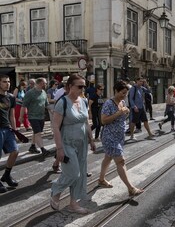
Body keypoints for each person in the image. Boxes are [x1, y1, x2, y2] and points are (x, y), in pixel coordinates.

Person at [50, 74, 96, 214]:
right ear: (70, 86)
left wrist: (91, 139)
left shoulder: (83, 101)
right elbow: (55, 127)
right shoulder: (62, 102)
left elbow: (86, 122)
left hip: (82, 143)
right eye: (80, 86)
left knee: (81, 174)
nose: (83, 89)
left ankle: (73, 204)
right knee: (73, 173)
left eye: (84, 86)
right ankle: (56, 191)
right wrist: (59, 149)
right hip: (67, 143)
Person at [98, 81, 143, 196]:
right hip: (109, 137)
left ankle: (101, 180)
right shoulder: (108, 103)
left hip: (119, 136)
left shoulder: (122, 102)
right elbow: (103, 120)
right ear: (116, 91)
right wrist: (119, 113)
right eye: (122, 93)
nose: (124, 95)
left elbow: (122, 117)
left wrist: (126, 112)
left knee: (108, 158)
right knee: (121, 161)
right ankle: (131, 188)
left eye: (126, 93)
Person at [20, 77, 49, 156]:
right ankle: (43, 149)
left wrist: (53, 111)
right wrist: (21, 116)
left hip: (41, 116)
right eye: (45, 83)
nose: (46, 84)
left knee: (36, 132)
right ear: (40, 83)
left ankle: (32, 146)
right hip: (33, 116)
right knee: (38, 133)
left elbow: (46, 104)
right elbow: (24, 105)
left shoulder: (44, 92)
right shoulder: (30, 93)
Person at [0, 74, 19, 193]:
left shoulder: (11, 97)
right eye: (4, 82)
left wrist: (15, 130)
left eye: (8, 82)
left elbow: (12, 115)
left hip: (7, 129)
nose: (7, 84)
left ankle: (6, 175)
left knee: (15, 151)